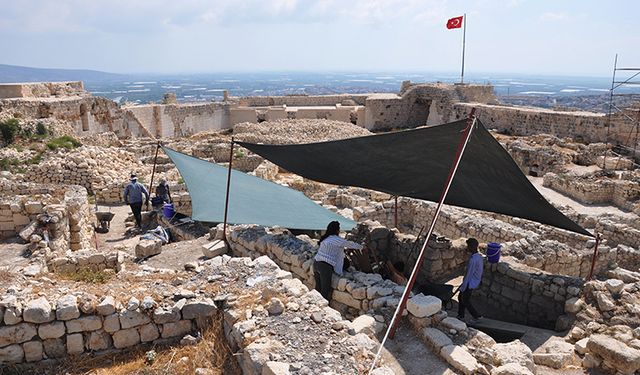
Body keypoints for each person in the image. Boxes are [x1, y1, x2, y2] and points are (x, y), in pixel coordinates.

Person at [314, 221, 362, 300]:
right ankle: (322, 308)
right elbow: (351, 244)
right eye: (339, 229)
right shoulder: (337, 240)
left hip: (316, 263)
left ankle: (314, 304)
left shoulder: (326, 238)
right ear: (337, 230)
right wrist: (362, 247)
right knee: (325, 291)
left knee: (318, 287)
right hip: (325, 266)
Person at [458, 237, 484, 323]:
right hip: (473, 281)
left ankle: (477, 316)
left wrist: (463, 286)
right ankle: (460, 315)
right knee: (460, 297)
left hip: (470, 283)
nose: (467, 248)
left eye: (468, 246)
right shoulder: (478, 257)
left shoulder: (473, 260)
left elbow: (469, 275)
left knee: (465, 300)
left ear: (472, 247)